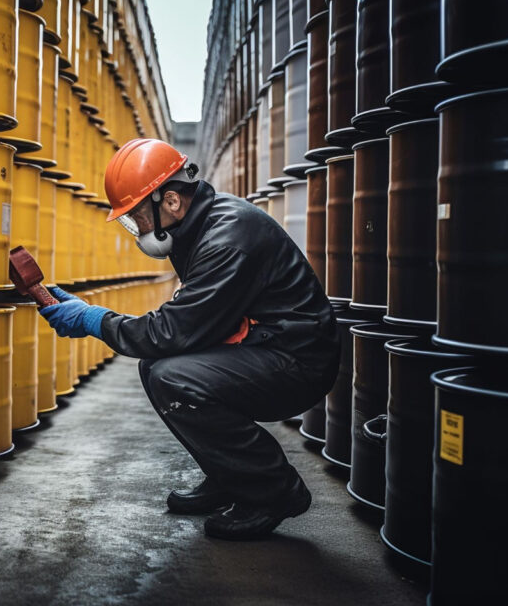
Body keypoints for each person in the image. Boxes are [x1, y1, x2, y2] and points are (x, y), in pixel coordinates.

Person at [40, 138, 340, 541]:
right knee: (156, 368)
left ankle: (272, 491)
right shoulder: (198, 227)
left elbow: (171, 331)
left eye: (135, 218)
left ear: (172, 202)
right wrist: (94, 316)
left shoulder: (227, 238)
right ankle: (229, 476)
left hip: (296, 362)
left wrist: (95, 320)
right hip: (263, 345)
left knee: (174, 378)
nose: (136, 230)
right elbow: (186, 326)